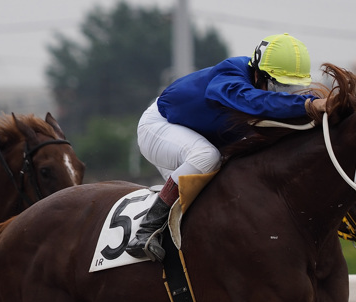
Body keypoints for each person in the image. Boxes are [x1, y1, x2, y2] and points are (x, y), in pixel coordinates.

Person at [127, 33, 326, 262]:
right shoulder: (230, 75)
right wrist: (309, 104)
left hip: (199, 135)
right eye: (280, 85)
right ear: (259, 74)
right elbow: (254, 102)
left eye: (293, 87)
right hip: (160, 126)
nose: (285, 94)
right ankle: (147, 230)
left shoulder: (267, 86)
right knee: (206, 156)